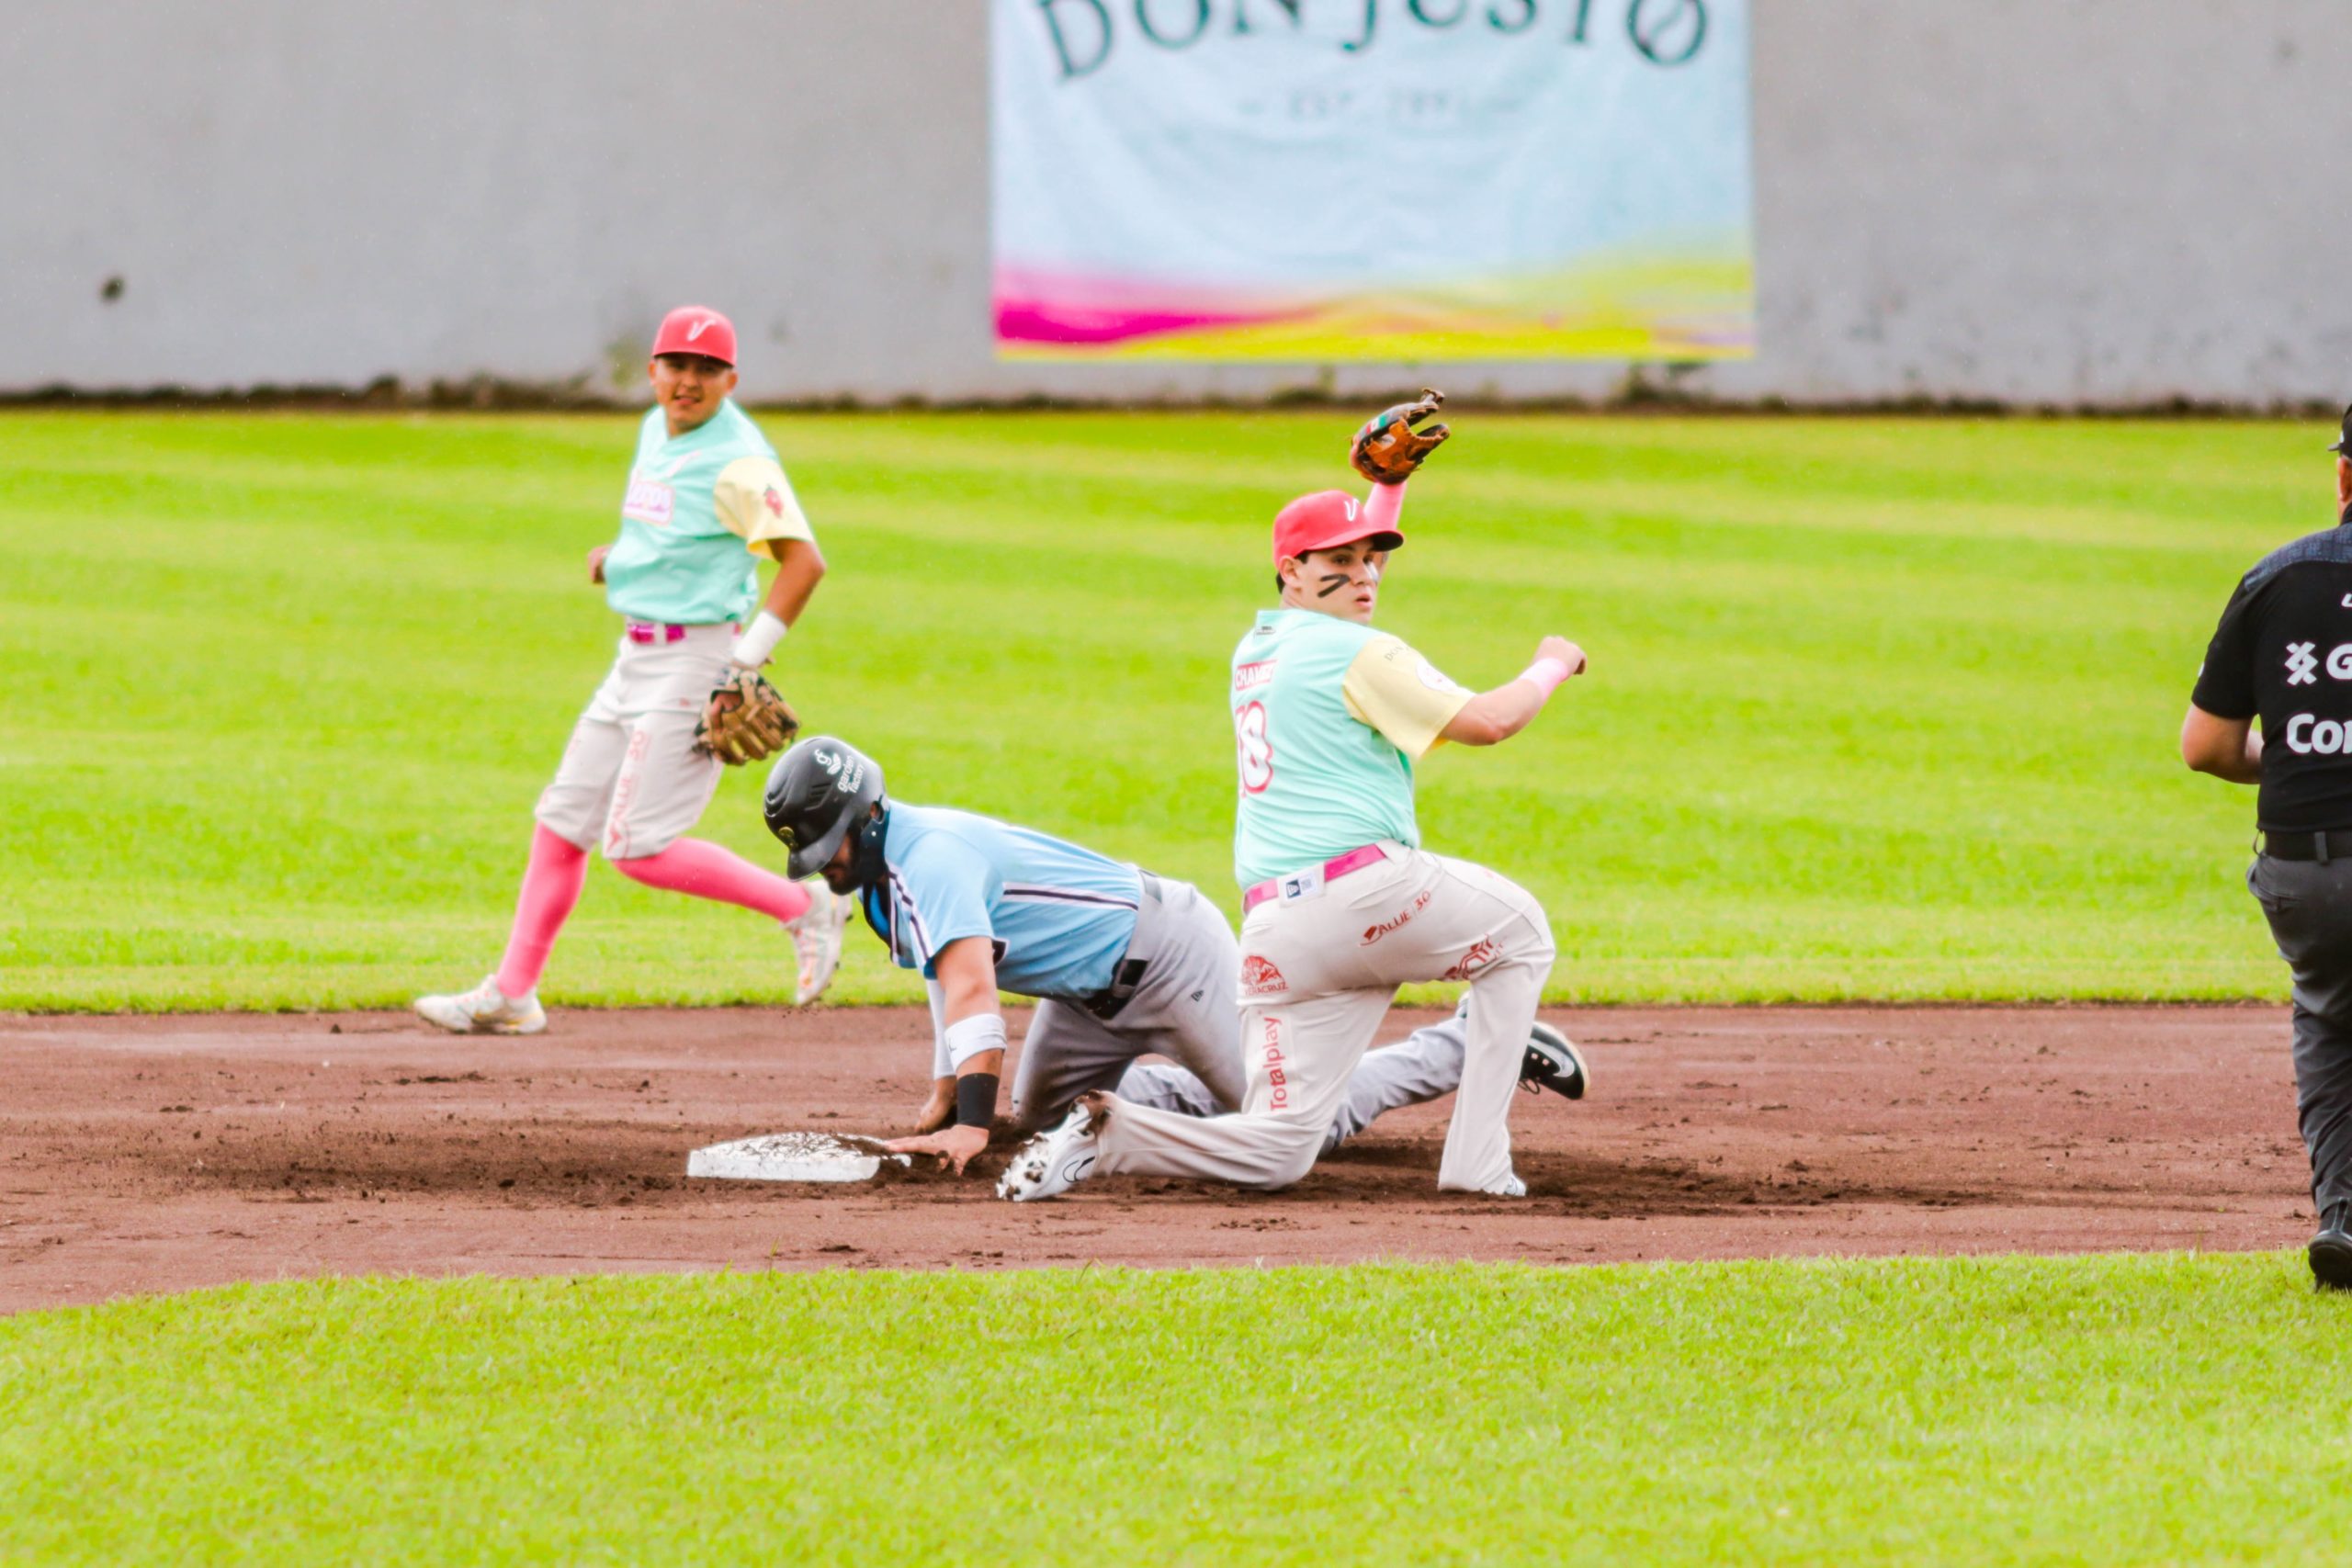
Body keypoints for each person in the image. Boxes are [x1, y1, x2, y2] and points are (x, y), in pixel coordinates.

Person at [1000, 402, 1583, 1201]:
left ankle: (1118, 1134)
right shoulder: (1359, 651)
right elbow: (1490, 720)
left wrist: (1388, 491)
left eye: (1373, 558)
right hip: (1370, 892)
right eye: (1339, 559)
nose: (1366, 572)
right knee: (1520, 934)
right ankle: (1477, 1164)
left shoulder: (1260, 645)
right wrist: (1551, 663)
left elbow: (1344, 598)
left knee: (1279, 1148)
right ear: (1292, 570)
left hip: (1279, 934)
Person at [757, 736, 1587, 1175]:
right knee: (1050, 1122)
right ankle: (1202, 1075)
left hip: (1170, 955)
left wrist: (970, 1128)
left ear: (866, 817)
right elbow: (950, 983)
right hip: (1084, 1000)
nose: (825, 863)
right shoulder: (877, 885)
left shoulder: (926, 855)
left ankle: (1465, 1038)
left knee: (1300, 1128)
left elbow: (975, 990)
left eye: (829, 845)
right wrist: (948, 1095)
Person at [414, 306, 853, 1036]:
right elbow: (672, 528)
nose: (688, 381)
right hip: (634, 656)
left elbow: (804, 562)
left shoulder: (740, 460)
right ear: (652, 369)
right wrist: (617, 561)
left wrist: (739, 663)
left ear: (730, 380)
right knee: (560, 823)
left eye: (706, 370)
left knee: (636, 846)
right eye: (676, 365)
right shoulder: (658, 429)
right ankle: (512, 994)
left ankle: (805, 906)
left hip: (695, 661)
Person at [2182, 401, 2352, 1291]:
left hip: (2306, 865)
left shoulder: (2277, 579)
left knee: (2331, 1024)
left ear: (2344, 477)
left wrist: (2300, 752)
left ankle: (2346, 1222)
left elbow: (2207, 748)